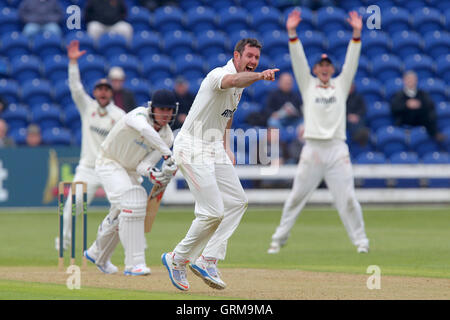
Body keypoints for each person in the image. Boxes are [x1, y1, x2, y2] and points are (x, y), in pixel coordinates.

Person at [161, 38, 279, 291]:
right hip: (191, 146)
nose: (253, 61)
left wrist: (225, 145)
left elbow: (228, 115)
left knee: (237, 201)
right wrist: (260, 76)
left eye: (257, 58)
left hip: (213, 146)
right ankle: (177, 259)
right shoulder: (220, 74)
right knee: (212, 212)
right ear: (236, 56)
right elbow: (233, 81)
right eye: (249, 56)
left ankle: (208, 258)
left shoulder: (241, 85)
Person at [268, 10, 370, 255]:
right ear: (314, 69)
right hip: (312, 149)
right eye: (320, 65)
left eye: (328, 65)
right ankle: (277, 240)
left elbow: (352, 61)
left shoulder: (341, 84)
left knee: (347, 199)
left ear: (332, 69)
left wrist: (357, 34)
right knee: (295, 197)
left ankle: (361, 242)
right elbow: (298, 60)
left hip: (336, 148)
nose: (324, 69)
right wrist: (292, 33)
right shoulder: (308, 84)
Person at [84, 89, 178, 276]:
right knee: (132, 204)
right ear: (152, 108)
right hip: (109, 162)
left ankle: (97, 254)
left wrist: (153, 174)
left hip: (131, 172)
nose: (165, 114)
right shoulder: (137, 115)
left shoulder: (168, 136)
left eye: (169, 110)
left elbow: (144, 165)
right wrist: (167, 153)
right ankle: (135, 264)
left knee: (123, 213)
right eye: (162, 109)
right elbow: (144, 130)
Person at [54, 40, 126, 255]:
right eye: (99, 89)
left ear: (111, 93)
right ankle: (63, 241)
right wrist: (73, 63)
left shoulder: (119, 116)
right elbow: (75, 88)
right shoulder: (88, 108)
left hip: (110, 168)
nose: (103, 93)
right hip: (87, 168)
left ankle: (115, 248)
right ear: (95, 92)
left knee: (123, 208)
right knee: (70, 207)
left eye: (106, 90)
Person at [390, 71, 444, 142]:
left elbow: (430, 105)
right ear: (404, 81)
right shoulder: (399, 95)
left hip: (420, 120)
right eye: (408, 79)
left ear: (416, 81)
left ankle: (434, 134)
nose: (410, 81)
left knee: (430, 115)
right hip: (405, 120)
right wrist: (406, 105)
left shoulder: (422, 94)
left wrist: (419, 105)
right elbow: (394, 108)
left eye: (412, 79)